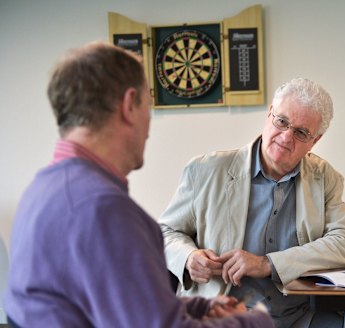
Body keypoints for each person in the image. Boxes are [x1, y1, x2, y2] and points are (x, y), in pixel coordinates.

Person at [2, 41, 273, 328]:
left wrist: (198, 306)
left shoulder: (43, 189)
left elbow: (109, 302)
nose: (149, 126)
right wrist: (255, 322)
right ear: (129, 105)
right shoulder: (103, 209)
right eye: (148, 105)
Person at [159, 78, 345, 327]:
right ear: (270, 114)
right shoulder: (206, 171)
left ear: (315, 140)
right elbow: (164, 232)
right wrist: (189, 257)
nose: (286, 137)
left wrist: (267, 263)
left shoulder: (324, 179)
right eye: (282, 122)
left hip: (300, 316)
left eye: (301, 132)